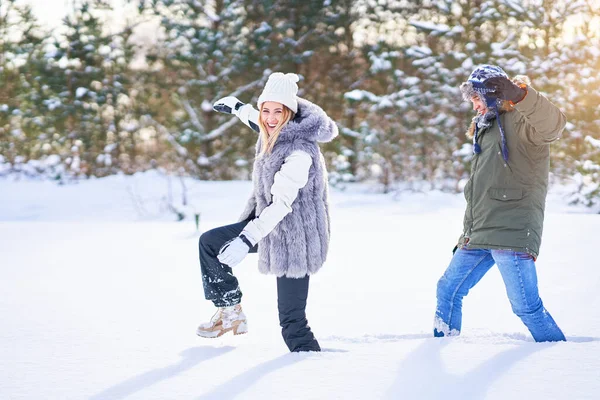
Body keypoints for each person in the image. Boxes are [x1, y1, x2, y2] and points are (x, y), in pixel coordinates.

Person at [195, 72, 338, 352]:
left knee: (292, 322)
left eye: (279, 112)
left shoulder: (299, 152)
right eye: (266, 110)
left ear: (290, 113)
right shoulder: (270, 130)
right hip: (267, 225)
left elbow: (281, 205)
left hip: (296, 239)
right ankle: (229, 310)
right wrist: (238, 107)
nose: (271, 118)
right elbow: (255, 120)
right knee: (209, 243)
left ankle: (313, 372)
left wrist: (246, 240)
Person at [434, 64, 567, 342]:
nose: (474, 107)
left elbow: (554, 125)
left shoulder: (522, 121)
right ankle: (440, 347)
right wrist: (467, 233)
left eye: (477, 99)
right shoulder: (487, 126)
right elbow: (482, 189)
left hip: (513, 231)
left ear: (493, 94)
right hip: (480, 232)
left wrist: (521, 96)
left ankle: (558, 354)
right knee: (448, 289)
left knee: (525, 308)